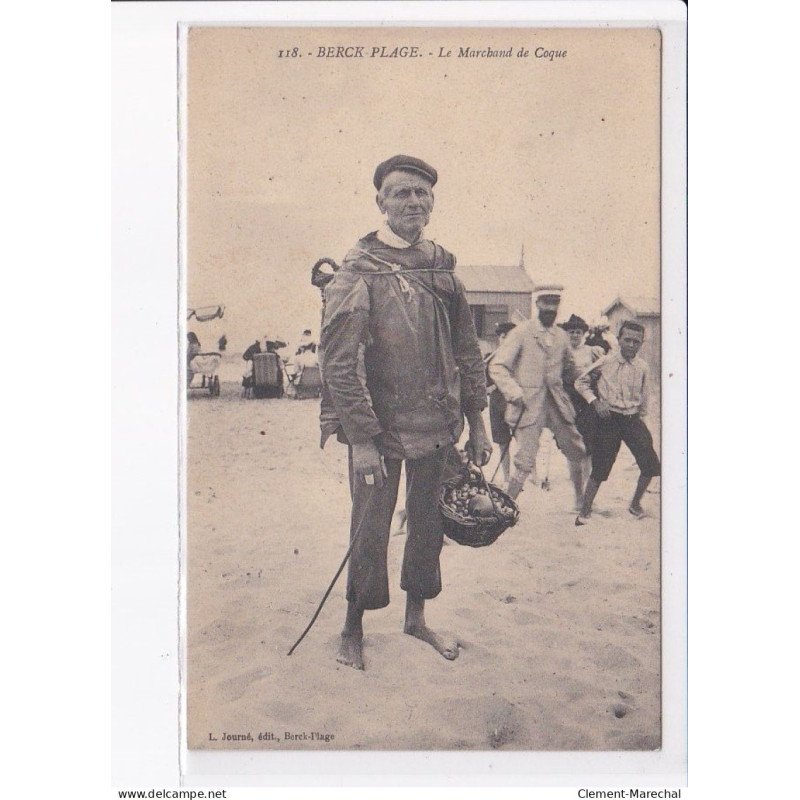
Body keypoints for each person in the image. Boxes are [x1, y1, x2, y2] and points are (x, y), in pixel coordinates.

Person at [319, 154, 491, 671]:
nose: (413, 201)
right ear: (381, 202)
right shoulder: (358, 270)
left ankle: (416, 619)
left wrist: (478, 421)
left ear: (432, 200)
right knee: (369, 527)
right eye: (401, 192)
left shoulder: (443, 268)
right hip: (378, 429)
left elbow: (467, 350)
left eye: (421, 192)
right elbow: (339, 363)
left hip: (437, 424)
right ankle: (353, 627)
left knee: (428, 524)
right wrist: (362, 440)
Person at [488, 286, 587, 507]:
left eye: (555, 303)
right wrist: (513, 392)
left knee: (576, 449)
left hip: (557, 404)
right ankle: (506, 506)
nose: (550, 308)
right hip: (528, 405)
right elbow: (497, 366)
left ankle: (580, 501)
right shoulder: (521, 333)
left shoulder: (561, 336)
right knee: (525, 459)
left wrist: (588, 372)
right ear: (538, 304)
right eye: (546, 303)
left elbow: (570, 369)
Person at [574, 320, 660, 525]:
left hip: (632, 419)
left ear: (641, 343)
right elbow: (581, 382)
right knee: (601, 467)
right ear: (619, 339)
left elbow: (645, 395)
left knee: (651, 464)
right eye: (627, 340)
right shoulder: (606, 361)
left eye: (636, 341)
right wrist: (595, 402)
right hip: (609, 420)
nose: (631, 345)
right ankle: (584, 512)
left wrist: (641, 418)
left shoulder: (642, 367)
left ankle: (635, 504)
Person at [559, 314, 604, 475]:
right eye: (571, 332)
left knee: (588, 439)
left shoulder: (592, 351)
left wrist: (595, 375)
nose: (575, 335)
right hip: (568, 398)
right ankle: (574, 474)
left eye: (578, 332)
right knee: (570, 439)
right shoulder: (561, 352)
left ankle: (586, 475)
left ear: (584, 334)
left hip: (586, 399)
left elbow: (601, 370)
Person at [485, 321, 516, 482]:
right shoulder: (490, 358)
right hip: (497, 403)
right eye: (503, 337)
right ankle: (506, 477)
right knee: (502, 442)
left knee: (523, 440)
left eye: (509, 337)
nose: (505, 340)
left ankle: (533, 475)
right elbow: (485, 383)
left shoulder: (519, 359)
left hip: (514, 403)